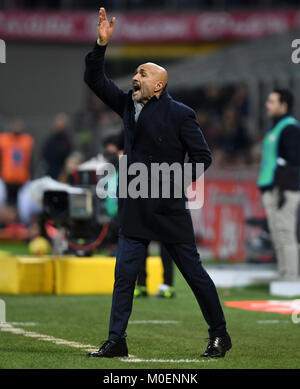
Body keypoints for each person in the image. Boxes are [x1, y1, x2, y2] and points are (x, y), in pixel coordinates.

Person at [84, 8, 231, 359]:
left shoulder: (180, 113)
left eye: (143, 73)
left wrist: (170, 184)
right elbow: (94, 80)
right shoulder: (127, 104)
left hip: (166, 207)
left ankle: (220, 335)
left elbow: (202, 157)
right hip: (135, 204)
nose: (135, 76)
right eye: (136, 71)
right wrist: (101, 46)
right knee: (124, 277)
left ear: (159, 85)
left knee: (193, 274)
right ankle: (116, 340)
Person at [257, 89, 300, 282]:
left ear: (283, 106)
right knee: (277, 235)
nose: (267, 104)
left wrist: (282, 189)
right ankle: (284, 275)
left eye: (271, 101)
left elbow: (294, 162)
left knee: (286, 233)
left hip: (283, 189)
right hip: (273, 188)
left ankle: (291, 278)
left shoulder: (290, 129)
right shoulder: (276, 128)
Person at [0, 121, 34, 206]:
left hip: (22, 178)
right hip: (7, 177)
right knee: (7, 202)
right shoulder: (4, 140)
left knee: (21, 203)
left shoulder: (26, 141)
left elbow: (30, 160)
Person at [41, 113, 73, 180]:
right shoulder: (50, 139)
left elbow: (70, 155)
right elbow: (44, 154)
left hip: (63, 171)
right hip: (51, 171)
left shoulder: (67, 140)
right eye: (58, 122)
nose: (59, 124)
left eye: (61, 122)